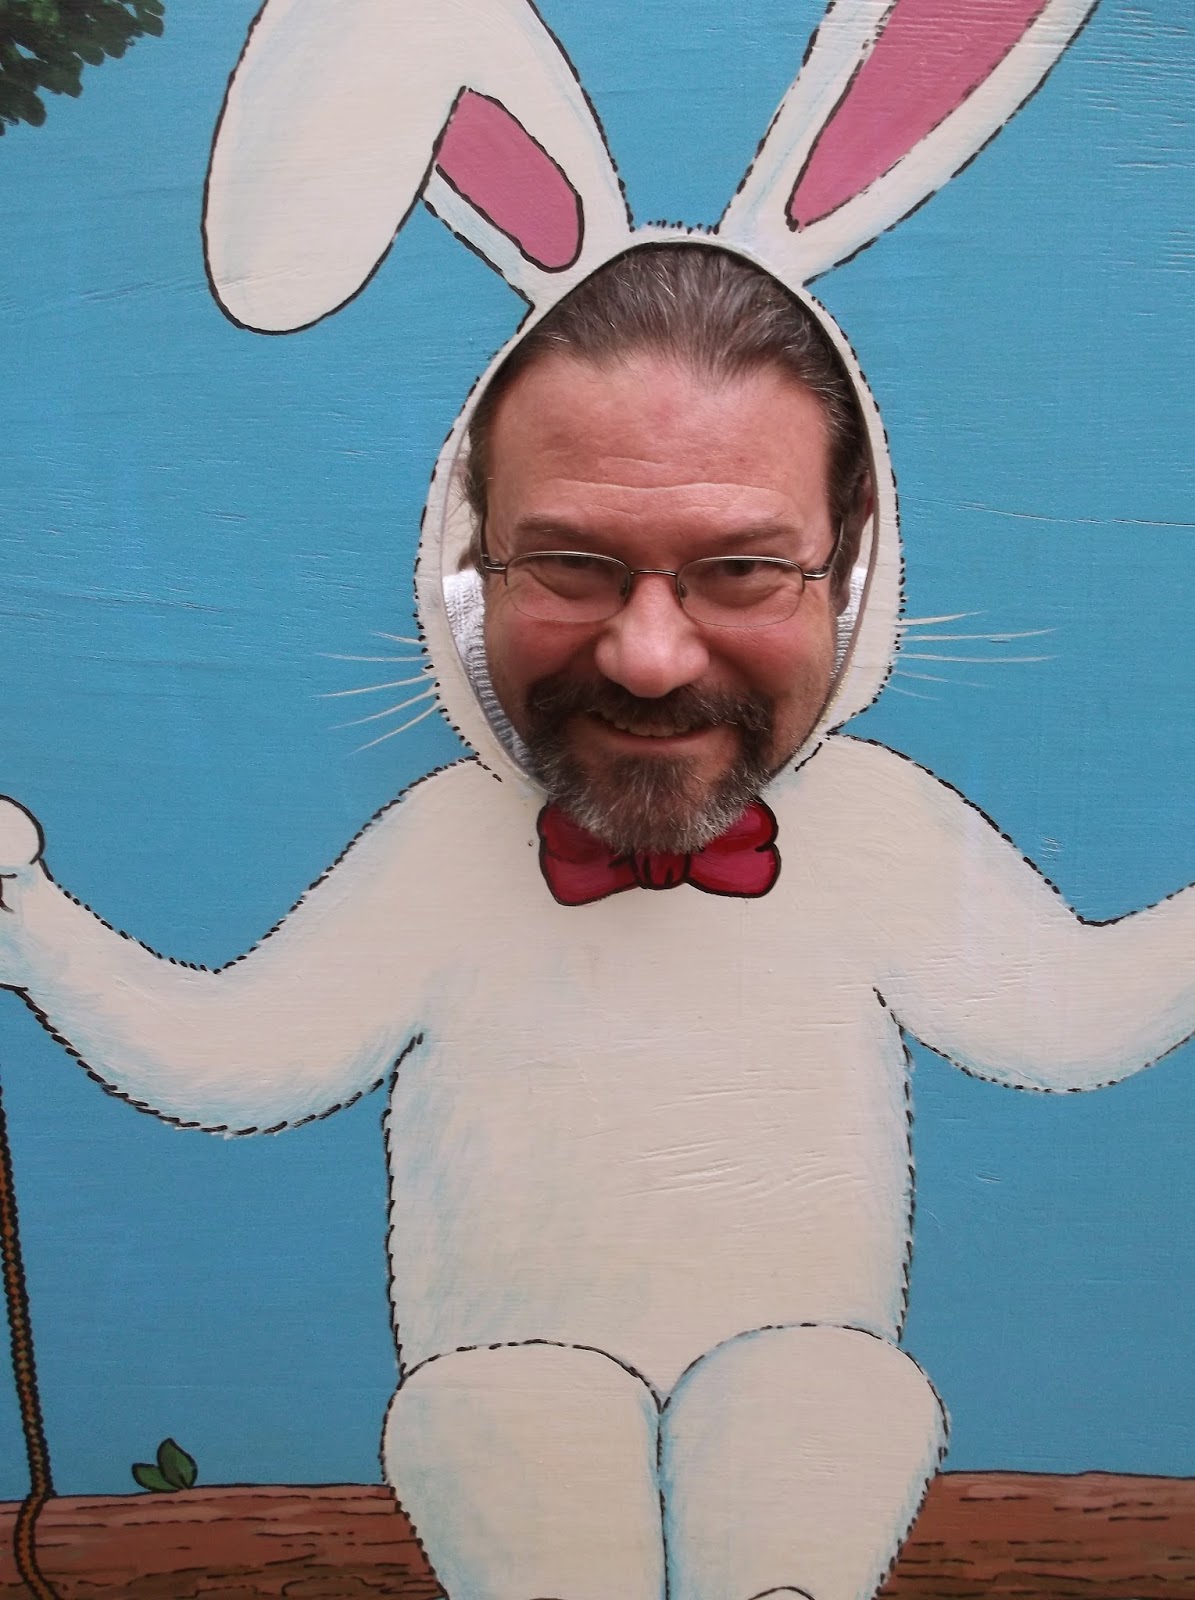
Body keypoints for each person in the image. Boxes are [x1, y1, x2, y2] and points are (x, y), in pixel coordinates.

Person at [1, 241, 1191, 1600]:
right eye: (571, 566)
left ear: (852, 570)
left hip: (804, 1379)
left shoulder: (888, 832)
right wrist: (34, 928)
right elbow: (242, 1055)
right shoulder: (437, 850)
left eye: (742, 569)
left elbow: (1068, 1021)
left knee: (826, 1395)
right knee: (500, 1417)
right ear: (473, 561)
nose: (650, 656)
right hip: (507, 1392)